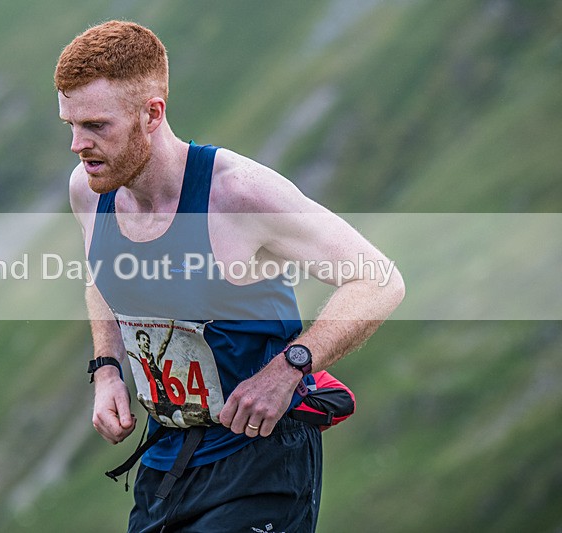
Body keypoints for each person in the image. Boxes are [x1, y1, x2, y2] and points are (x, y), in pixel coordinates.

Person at [56, 20, 405, 532]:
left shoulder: (238, 195)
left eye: (96, 126)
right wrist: (107, 368)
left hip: (260, 462)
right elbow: (100, 276)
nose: (76, 144)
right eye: (69, 124)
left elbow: (379, 279)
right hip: (166, 461)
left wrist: (290, 368)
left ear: (152, 113)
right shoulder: (89, 191)